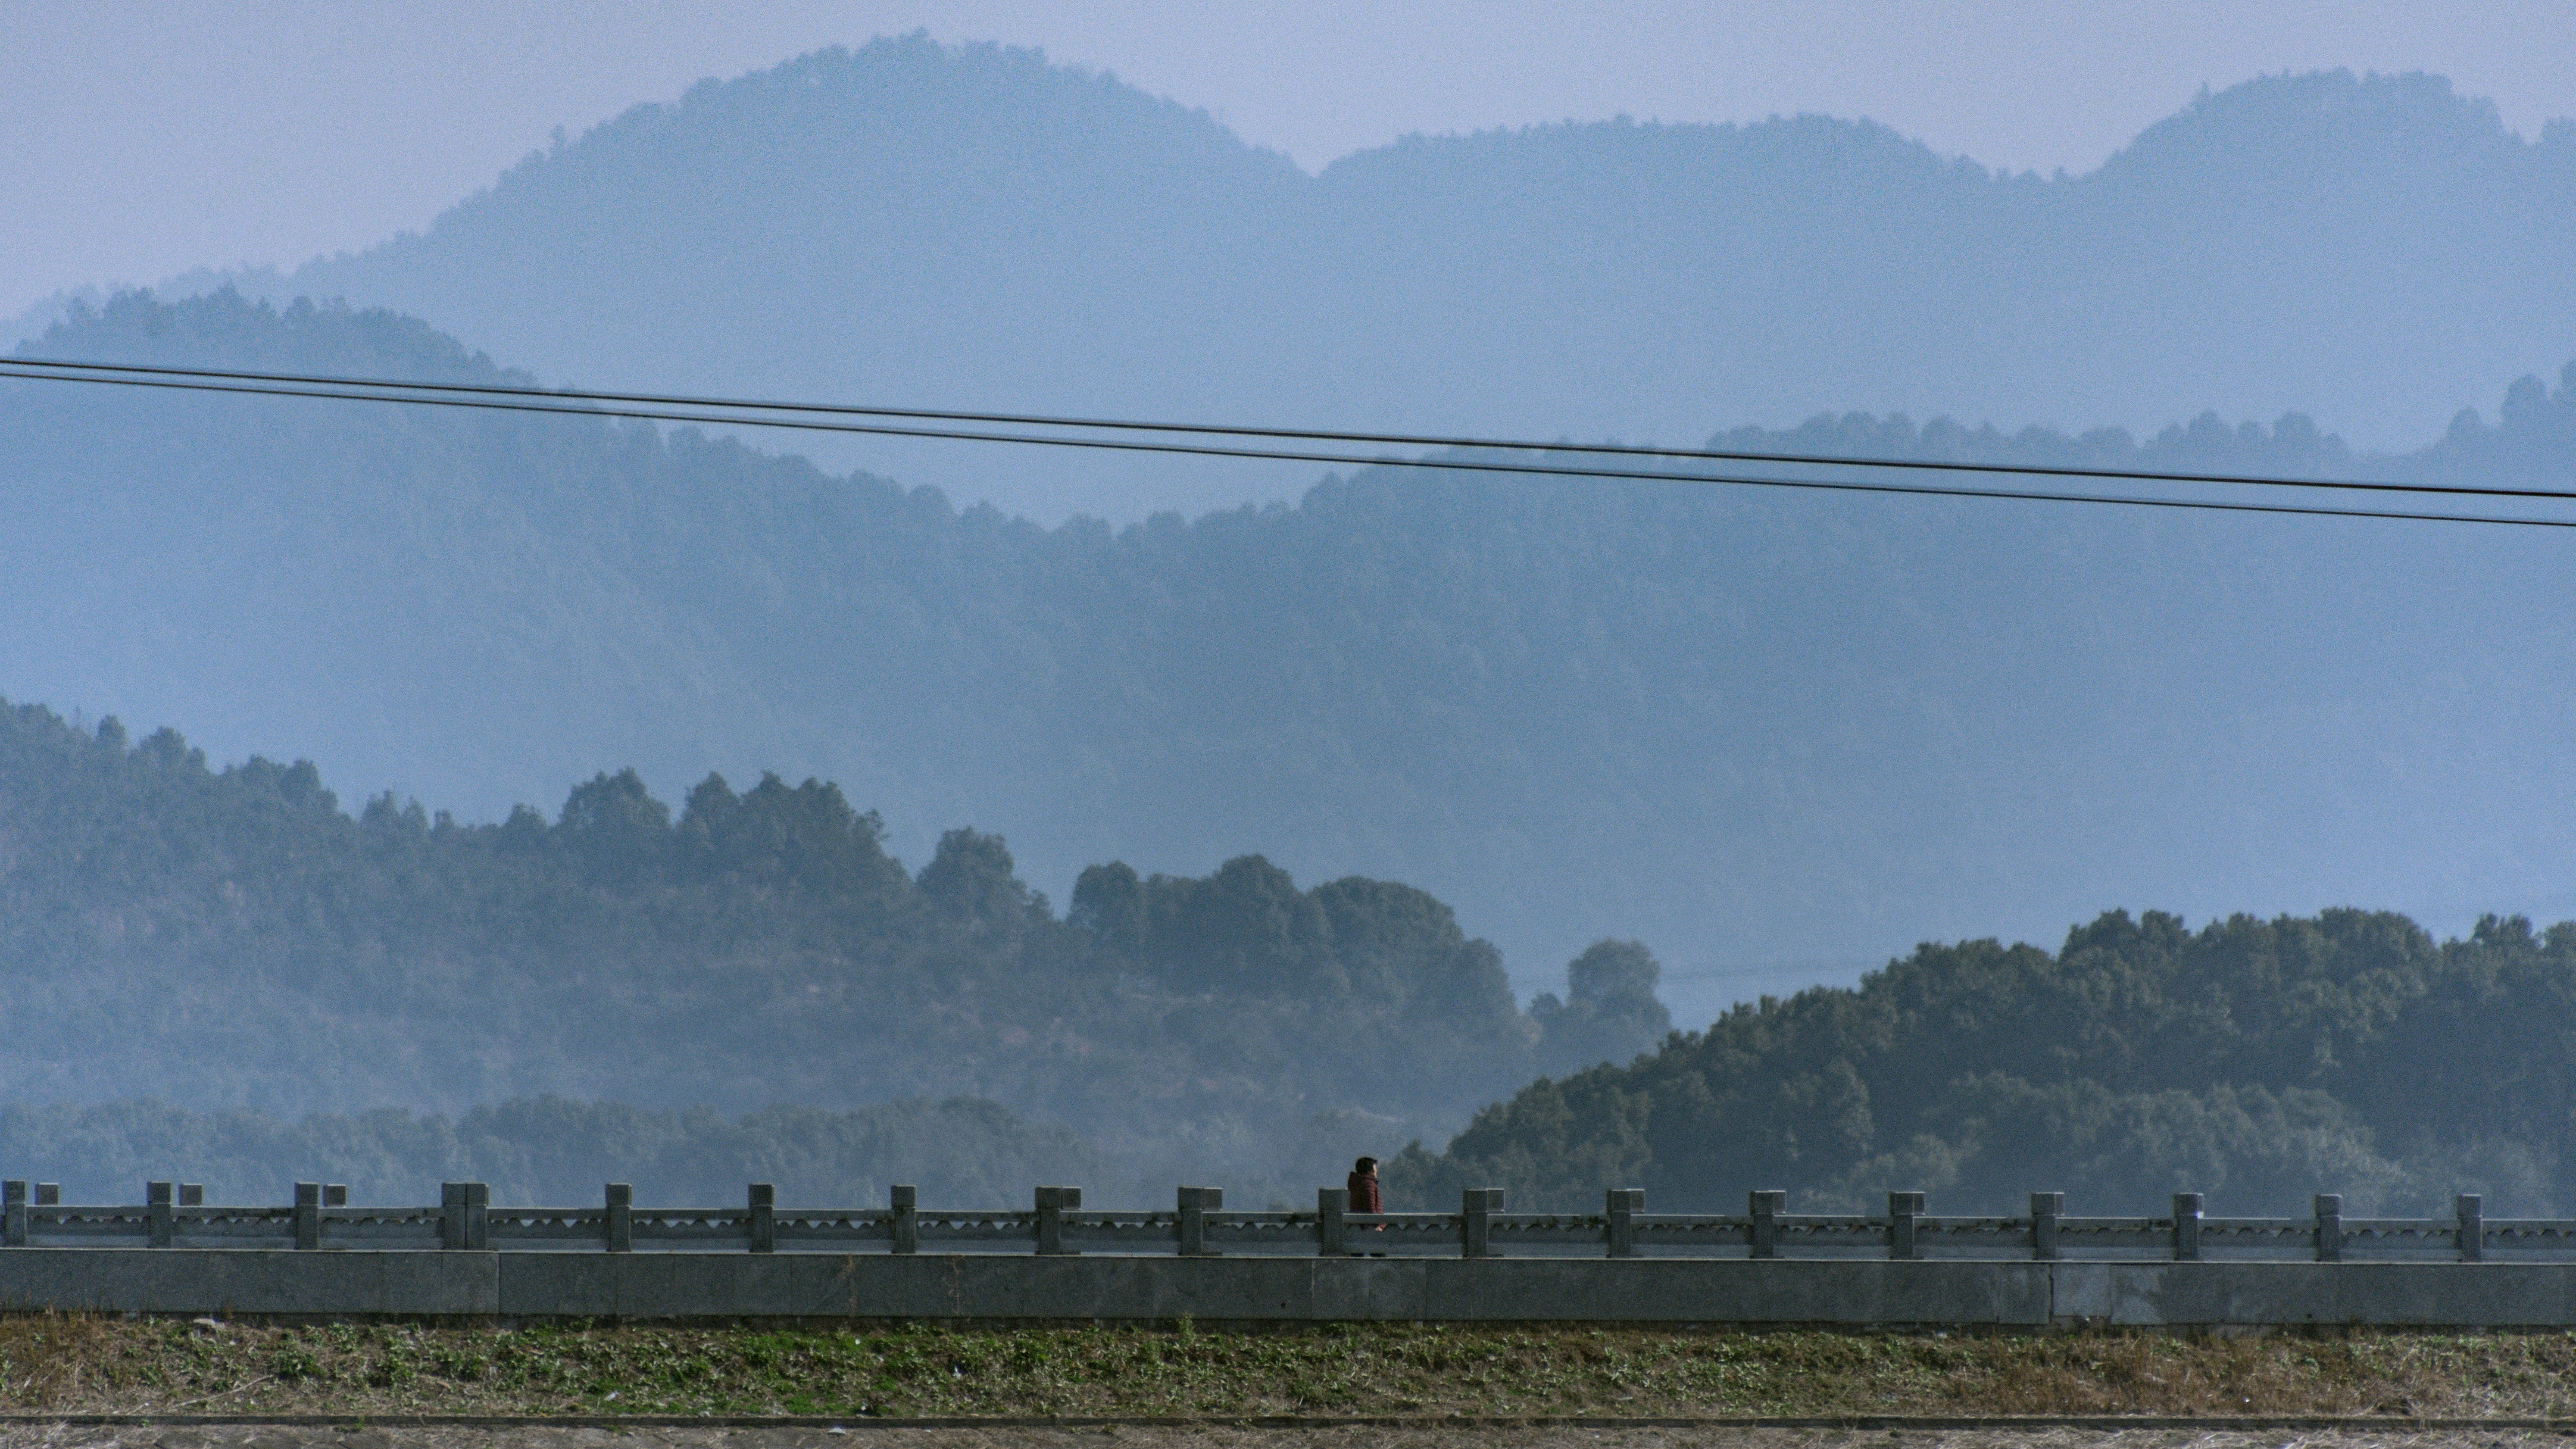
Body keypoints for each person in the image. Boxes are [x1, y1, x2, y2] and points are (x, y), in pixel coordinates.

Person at [1346, 1155, 1384, 1255]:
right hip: (1369, 1229)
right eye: (1375, 1168)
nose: (1376, 1171)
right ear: (1369, 1171)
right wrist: (1376, 1225)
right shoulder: (1368, 1184)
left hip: (1357, 1227)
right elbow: (1370, 1207)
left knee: (1357, 1257)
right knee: (1381, 1259)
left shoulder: (1357, 1183)